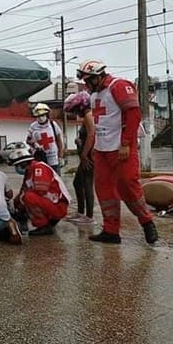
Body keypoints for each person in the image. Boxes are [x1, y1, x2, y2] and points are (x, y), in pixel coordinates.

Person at [77, 59, 158, 244]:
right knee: (104, 190)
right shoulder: (94, 96)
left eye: (88, 80)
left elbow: (133, 114)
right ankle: (111, 230)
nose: (86, 84)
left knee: (128, 186)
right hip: (102, 150)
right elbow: (98, 123)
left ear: (97, 76)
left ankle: (147, 222)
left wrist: (126, 143)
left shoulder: (119, 86)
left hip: (121, 149)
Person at [9, 147, 70, 236]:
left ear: (23, 164)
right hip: (50, 204)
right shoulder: (29, 172)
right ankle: (44, 221)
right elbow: (22, 191)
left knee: (28, 197)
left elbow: (41, 190)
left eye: (17, 166)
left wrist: (22, 203)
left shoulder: (39, 167)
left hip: (58, 206)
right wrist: (15, 207)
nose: (17, 169)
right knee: (22, 198)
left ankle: (44, 225)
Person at [64, 91, 96, 225]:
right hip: (86, 154)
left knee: (87, 184)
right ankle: (81, 212)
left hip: (89, 156)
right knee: (78, 183)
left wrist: (84, 154)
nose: (76, 113)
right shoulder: (87, 117)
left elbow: (92, 135)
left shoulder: (89, 116)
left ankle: (88, 216)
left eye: (76, 110)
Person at [26, 103, 64, 174]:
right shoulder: (33, 127)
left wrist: (61, 156)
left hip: (53, 159)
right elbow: (28, 140)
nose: (40, 118)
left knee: (55, 179)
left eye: (42, 115)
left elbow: (59, 141)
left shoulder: (53, 125)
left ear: (47, 115)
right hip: (40, 158)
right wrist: (34, 144)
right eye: (38, 116)